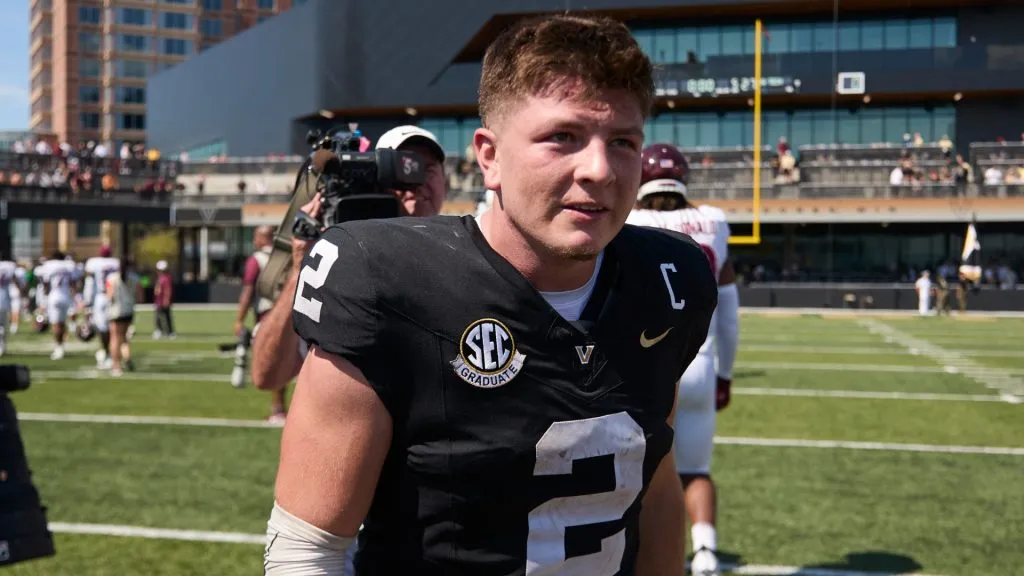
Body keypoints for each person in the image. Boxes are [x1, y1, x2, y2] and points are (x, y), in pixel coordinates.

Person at [265, 15, 718, 575]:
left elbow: (655, 491)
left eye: (623, 141)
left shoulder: (669, 281)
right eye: (563, 136)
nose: (600, 169)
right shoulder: (387, 281)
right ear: (489, 156)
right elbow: (309, 550)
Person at [250, 124, 448, 395]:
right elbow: (267, 374)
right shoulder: (340, 264)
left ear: (446, 182)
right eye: (401, 166)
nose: (415, 177)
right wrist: (302, 268)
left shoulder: (466, 253)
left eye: (428, 168)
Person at [625, 144, 740, 576]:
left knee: (641, 472)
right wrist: (725, 373)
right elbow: (728, 314)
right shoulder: (713, 220)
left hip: (647, 366)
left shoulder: (629, 220)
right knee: (695, 469)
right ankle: (706, 552)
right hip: (701, 362)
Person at [231, 225, 279, 416]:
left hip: (266, 314)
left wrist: (239, 319)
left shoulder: (256, 260)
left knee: (271, 361)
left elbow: (248, 291)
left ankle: (278, 408)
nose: (253, 240)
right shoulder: (286, 257)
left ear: (262, 238)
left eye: (255, 236)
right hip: (289, 312)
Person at [34, 253, 79, 360]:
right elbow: (74, 283)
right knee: (62, 323)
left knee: (56, 324)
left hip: (54, 297)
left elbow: (45, 283)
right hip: (66, 296)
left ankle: (58, 348)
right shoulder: (69, 265)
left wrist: (44, 300)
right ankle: (61, 345)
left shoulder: (49, 265)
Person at [83, 247, 120, 369]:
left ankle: (107, 353)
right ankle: (113, 354)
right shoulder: (115, 263)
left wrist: (87, 301)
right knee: (115, 327)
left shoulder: (93, 263)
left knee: (103, 328)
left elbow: (89, 282)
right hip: (115, 297)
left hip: (100, 297)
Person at [107, 258, 137, 376]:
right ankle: (127, 357)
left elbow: (109, 296)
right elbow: (139, 296)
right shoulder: (134, 278)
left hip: (116, 311)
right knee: (124, 337)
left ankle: (116, 365)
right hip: (128, 310)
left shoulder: (112, 278)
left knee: (115, 338)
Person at [152, 260, 175, 339]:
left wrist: (166, 299)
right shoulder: (160, 278)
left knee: (166, 316)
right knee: (158, 317)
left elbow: (167, 290)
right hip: (158, 301)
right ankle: (160, 330)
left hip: (163, 301)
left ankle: (170, 332)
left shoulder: (166, 278)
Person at [0, 258, 15, 356]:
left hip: (4, 297)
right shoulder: (9, 266)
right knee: (3, 325)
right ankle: (2, 346)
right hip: (5, 297)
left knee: (2, 325)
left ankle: (2, 346)